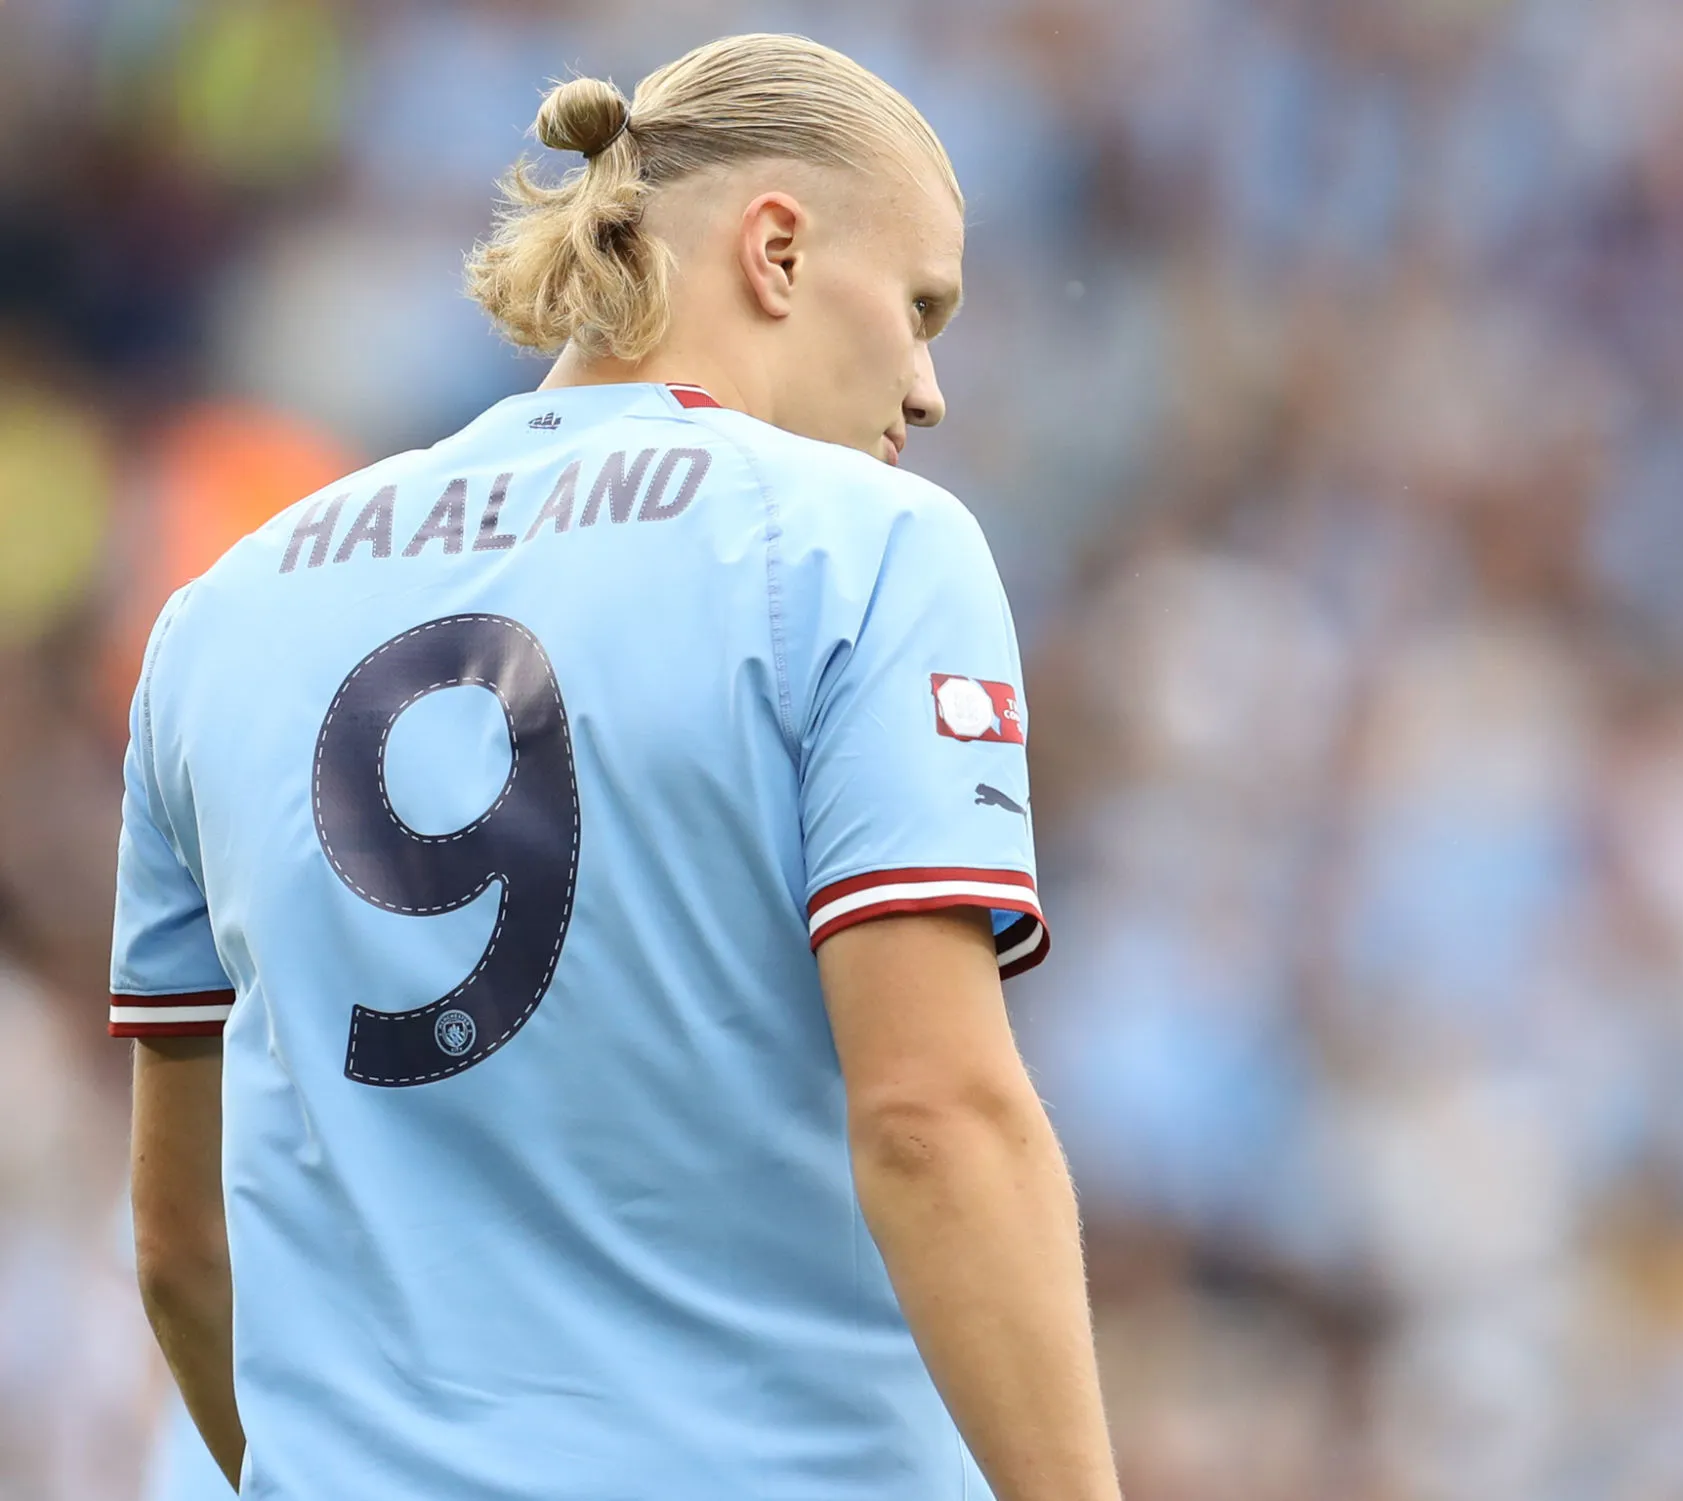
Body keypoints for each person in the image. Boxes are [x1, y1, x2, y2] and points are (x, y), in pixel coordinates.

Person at [115, 34, 1120, 1501]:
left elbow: (182, 1248)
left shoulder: (219, 615)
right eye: (920, 310)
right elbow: (931, 1121)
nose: (927, 389)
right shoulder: (859, 546)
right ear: (778, 250)